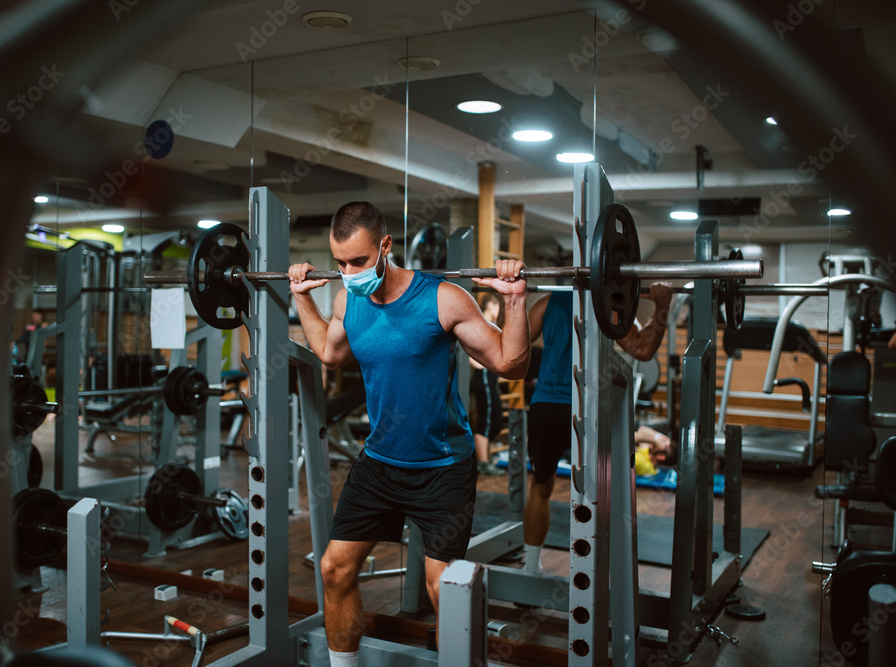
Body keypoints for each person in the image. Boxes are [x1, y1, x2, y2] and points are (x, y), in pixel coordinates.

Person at [288, 202, 529, 666]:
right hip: (379, 463)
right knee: (334, 569)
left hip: (442, 468)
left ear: (385, 246)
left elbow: (510, 364)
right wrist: (303, 297)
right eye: (339, 263)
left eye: (358, 261)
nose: (349, 272)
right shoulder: (347, 299)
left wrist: (515, 299)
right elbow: (329, 352)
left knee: (446, 590)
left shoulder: (444, 299)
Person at [522, 281, 672, 574]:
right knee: (597, 489)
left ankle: (530, 568)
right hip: (588, 408)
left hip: (547, 406)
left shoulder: (547, 303)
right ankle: (594, 578)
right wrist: (662, 305)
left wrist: (512, 303)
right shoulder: (610, 308)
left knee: (540, 489)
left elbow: (515, 346)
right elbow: (642, 350)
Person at [469, 293, 506, 476]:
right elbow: (472, 357)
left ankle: (483, 459)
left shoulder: (491, 325)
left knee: (496, 421)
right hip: (482, 376)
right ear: (491, 304)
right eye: (498, 305)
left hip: (488, 377)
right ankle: (483, 463)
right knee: (487, 419)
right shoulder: (480, 322)